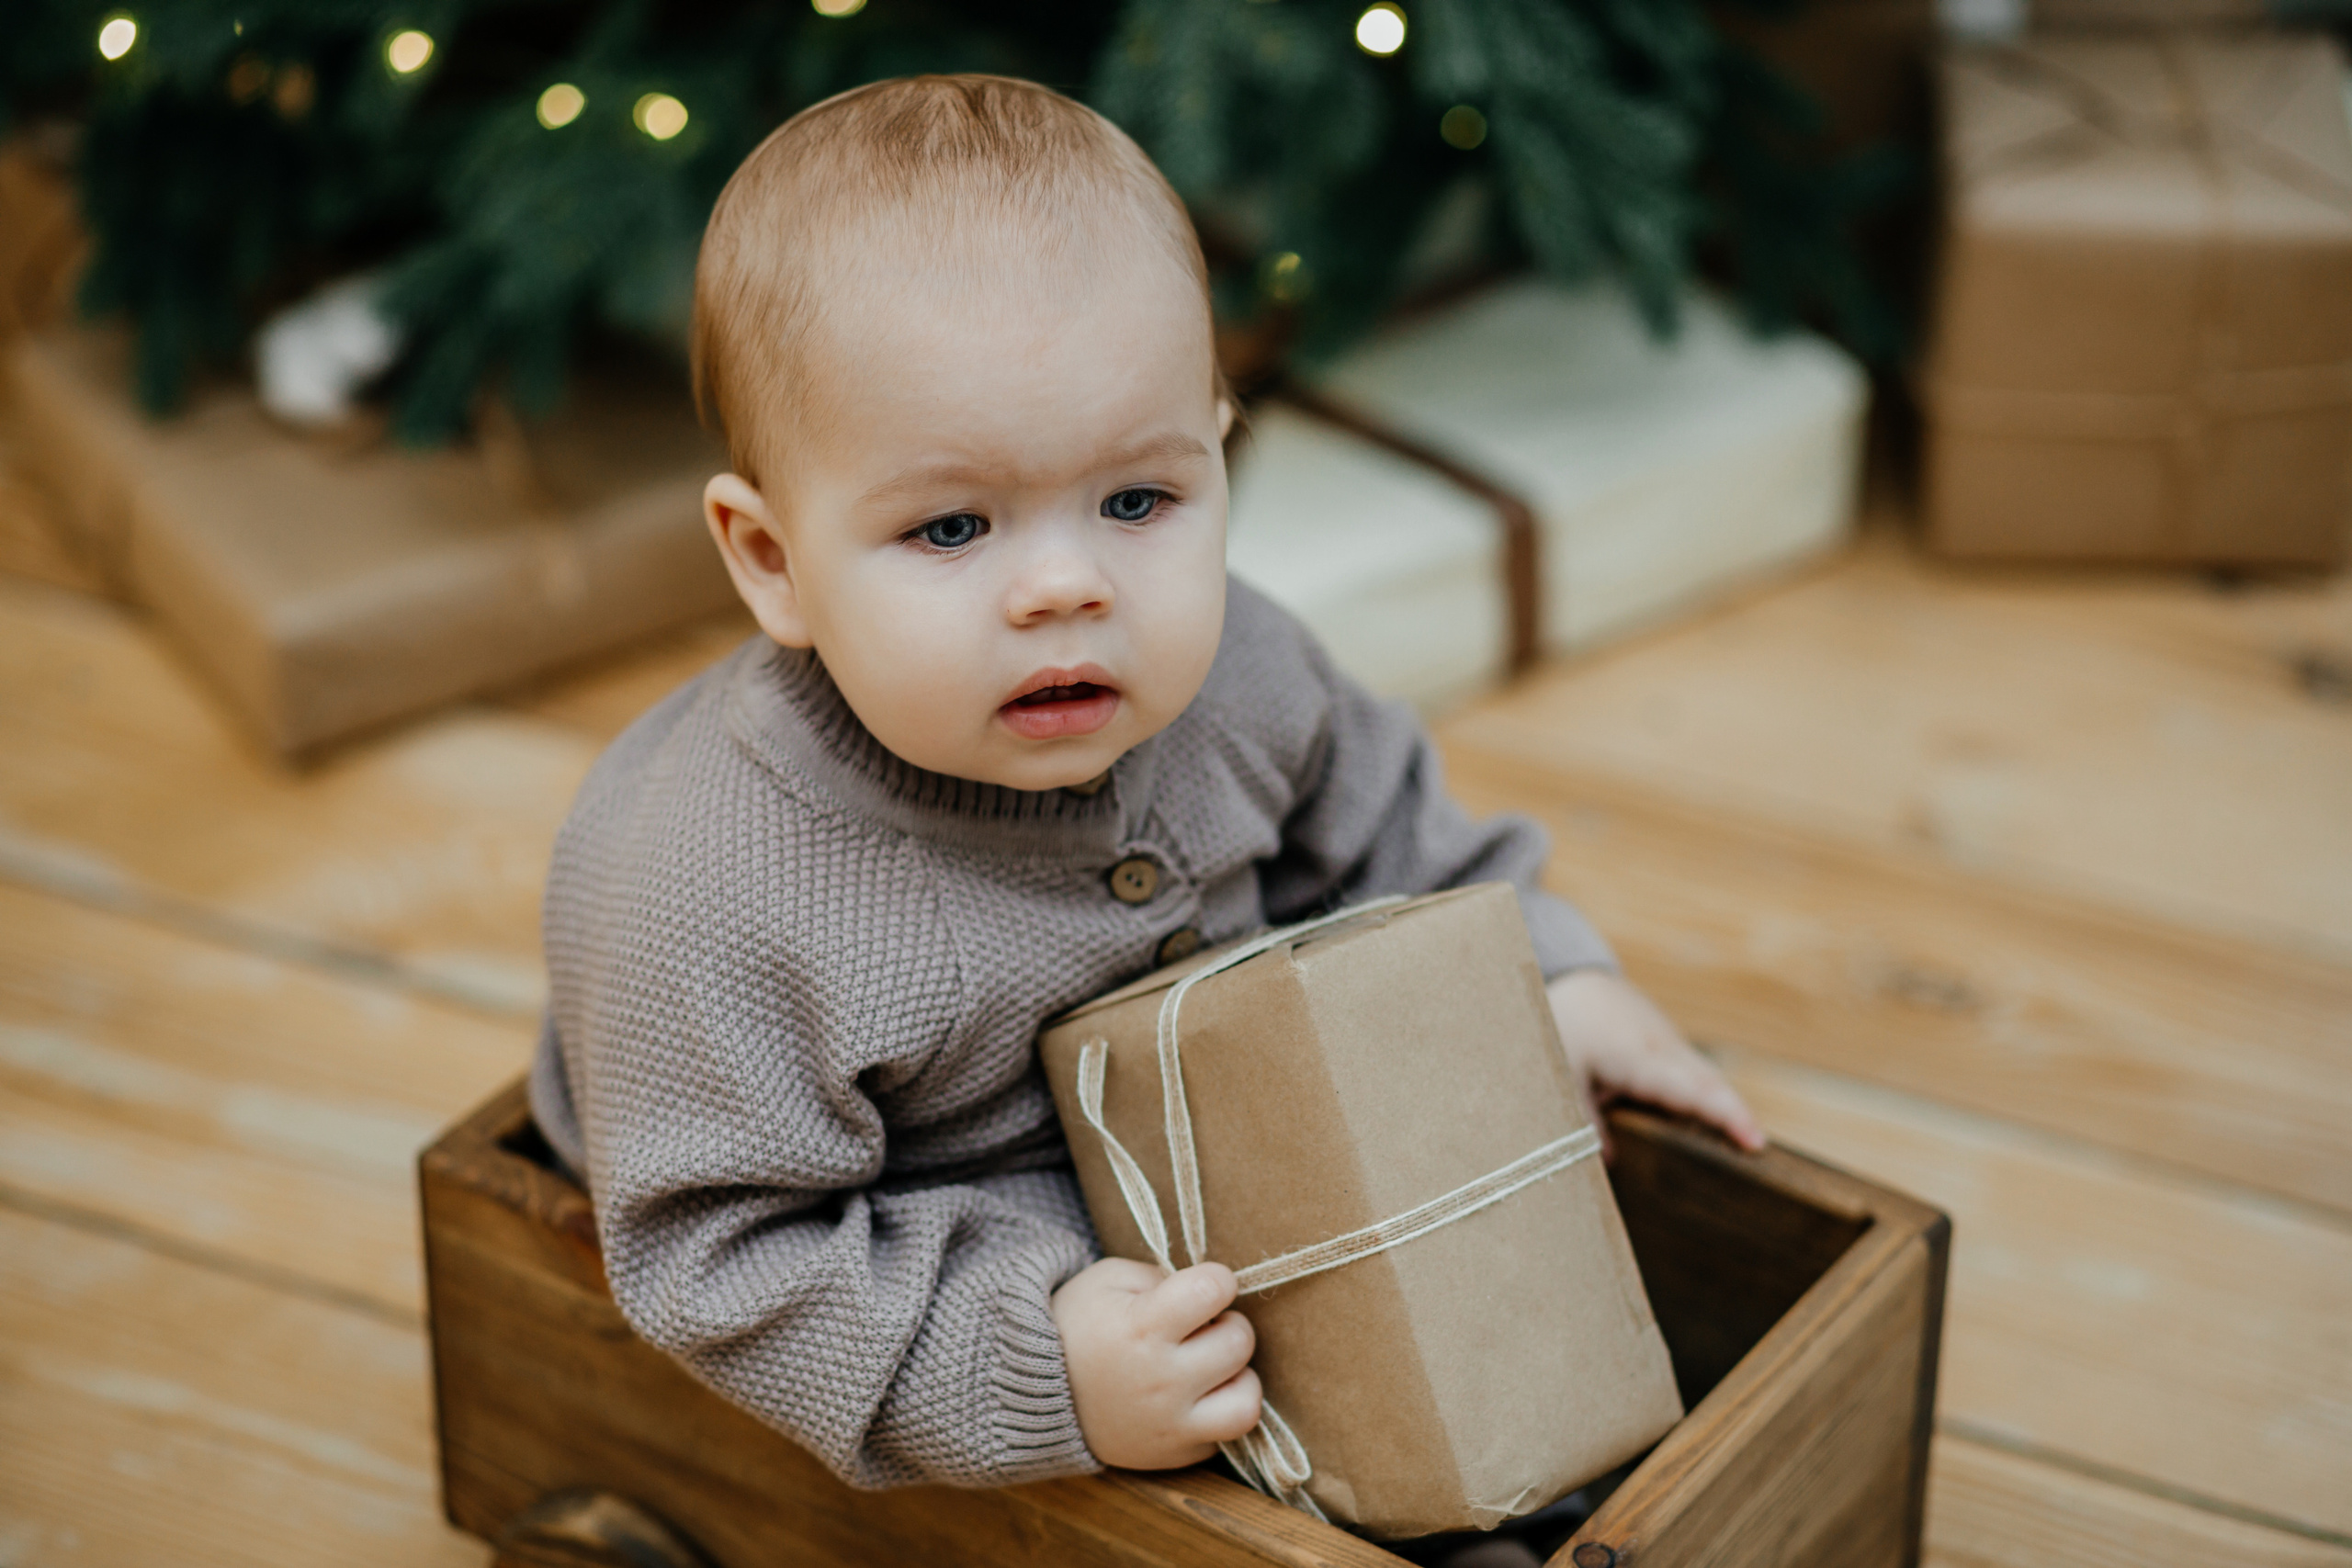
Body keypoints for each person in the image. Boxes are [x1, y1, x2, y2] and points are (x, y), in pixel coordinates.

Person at [529, 73, 1763, 1497]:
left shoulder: (1243, 674)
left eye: (1137, 502)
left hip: (1257, 1151)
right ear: (771, 560)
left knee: (1552, 1393)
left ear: (1218, 454)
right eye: (951, 528)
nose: (1067, 586)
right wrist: (1038, 1368)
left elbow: (1398, 837)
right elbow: (722, 1258)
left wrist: (1552, 975)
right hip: (965, 1255)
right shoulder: (716, 894)